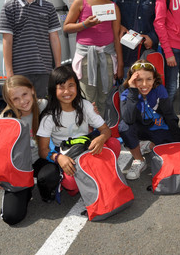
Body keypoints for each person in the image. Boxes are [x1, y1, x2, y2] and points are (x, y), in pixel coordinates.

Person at [0, 76, 57, 225]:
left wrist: (88, 111)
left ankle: (46, 192)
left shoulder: (43, 105)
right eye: (15, 99)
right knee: (12, 217)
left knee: (51, 175)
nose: (22, 101)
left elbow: (68, 110)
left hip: (37, 160)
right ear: (9, 101)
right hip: (17, 168)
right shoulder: (7, 117)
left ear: (32, 91)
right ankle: (25, 189)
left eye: (24, 94)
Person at [36, 66, 121, 196]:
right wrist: (58, 158)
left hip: (87, 147)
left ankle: (98, 172)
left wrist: (101, 138)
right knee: (70, 184)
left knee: (114, 144)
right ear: (53, 89)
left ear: (77, 86)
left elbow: (105, 130)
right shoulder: (49, 117)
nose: (67, 91)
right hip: (68, 153)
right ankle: (93, 174)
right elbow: (43, 151)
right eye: (61, 87)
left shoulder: (85, 105)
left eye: (71, 85)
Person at [63, 0, 123, 117]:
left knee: (105, 96)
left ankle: (101, 128)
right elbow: (67, 27)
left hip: (107, 57)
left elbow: (116, 36)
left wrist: (120, 64)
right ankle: (88, 131)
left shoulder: (113, 7)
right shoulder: (81, 2)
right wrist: (84, 25)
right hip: (86, 58)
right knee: (88, 98)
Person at [0, 0, 62, 98]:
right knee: (22, 108)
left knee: (44, 108)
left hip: (44, 70)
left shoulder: (48, 7)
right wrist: (9, 73)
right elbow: (7, 41)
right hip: (19, 71)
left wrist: (57, 67)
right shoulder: (9, 7)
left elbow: (54, 38)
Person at [119, 60, 180, 180]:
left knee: (167, 150)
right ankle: (139, 160)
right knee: (124, 127)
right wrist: (133, 91)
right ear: (132, 80)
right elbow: (128, 119)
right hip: (138, 128)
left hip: (155, 127)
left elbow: (170, 115)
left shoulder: (159, 90)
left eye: (149, 79)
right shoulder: (126, 92)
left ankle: (146, 145)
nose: (144, 84)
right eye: (139, 80)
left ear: (154, 79)